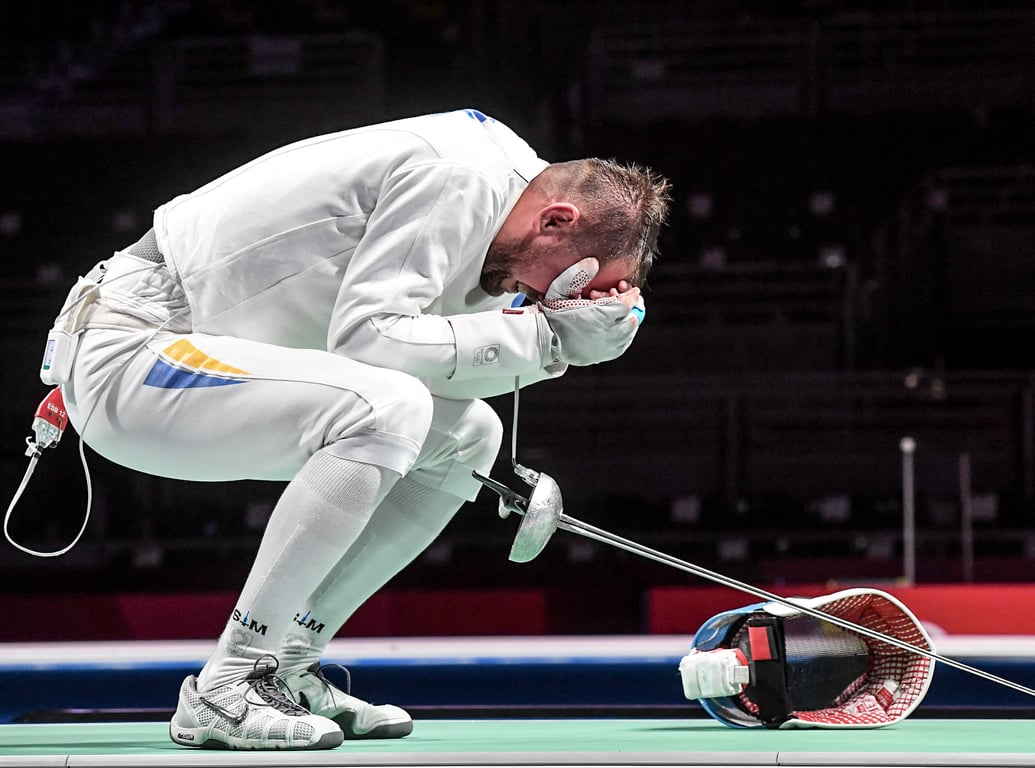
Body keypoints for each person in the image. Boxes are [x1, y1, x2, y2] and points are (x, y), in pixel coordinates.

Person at [48, 108, 671, 750]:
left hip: (198, 355)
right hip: (136, 349)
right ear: (557, 220)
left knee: (471, 442)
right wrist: (544, 339)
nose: (545, 299)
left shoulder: (504, 221)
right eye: (565, 284)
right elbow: (368, 339)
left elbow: (442, 370)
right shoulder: (460, 177)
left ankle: (286, 666)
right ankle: (226, 685)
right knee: (386, 407)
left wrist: (554, 344)